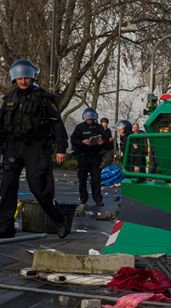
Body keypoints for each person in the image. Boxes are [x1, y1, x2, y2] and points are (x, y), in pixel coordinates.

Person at [0, 59, 69, 238]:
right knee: (7, 187)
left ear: (32, 78)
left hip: (36, 147)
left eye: (26, 78)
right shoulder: (8, 99)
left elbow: (57, 125)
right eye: (20, 78)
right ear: (15, 79)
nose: (23, 81)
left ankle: (59, 220)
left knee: (39, 188)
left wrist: (61, 148)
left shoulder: (43, 98)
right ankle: (6, 226)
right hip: (13, 147)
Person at [70, 108, 111, 208]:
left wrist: (103, 143)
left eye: (92, 119)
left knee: (96, 180)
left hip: (95, 156)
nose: (90, 121)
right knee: (82, 179)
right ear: (85, 118)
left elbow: (107, 144)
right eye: (88, 119)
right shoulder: (80, 127)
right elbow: (73, 140)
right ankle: (83, 199)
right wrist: (82, 142)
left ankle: (98, 199)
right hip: (83, 156)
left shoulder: (99, 128)